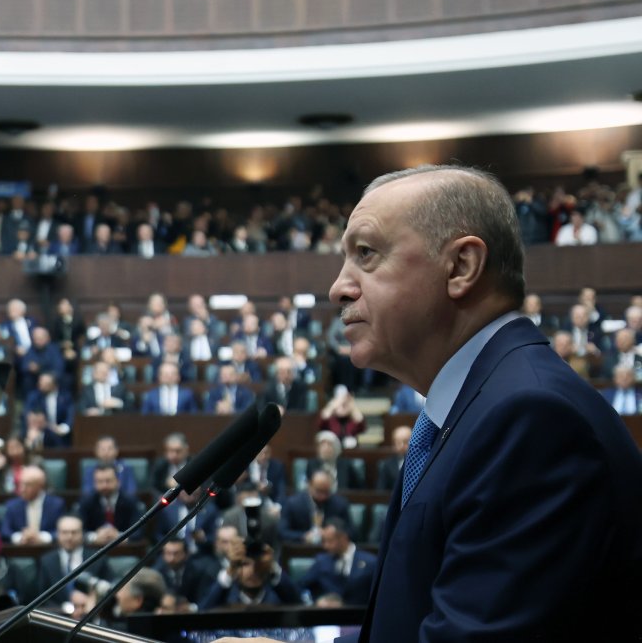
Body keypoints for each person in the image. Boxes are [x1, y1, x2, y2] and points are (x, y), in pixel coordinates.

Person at [256, 164, 642, 642]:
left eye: (367, 254)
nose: (338, 287)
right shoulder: (479, 406)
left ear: (461, 267)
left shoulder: (529, 419)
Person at [297, 518, 377, 607]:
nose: (325, 546)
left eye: (329, 541)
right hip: (328, 616)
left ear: (343, 538)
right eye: (324, 541)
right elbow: (301, 587)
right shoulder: (322, 561)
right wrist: (316, 602)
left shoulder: (370, 562)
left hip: (359, 616)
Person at [37, 516, 112, 607]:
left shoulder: (97, 557)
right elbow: (40, 597)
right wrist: (65, 608)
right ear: (57, 534)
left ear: (82, 533)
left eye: (74, 532)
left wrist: (92, 601)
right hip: (57, 615)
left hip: (91, 613)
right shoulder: (46, 561)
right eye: (64, 532)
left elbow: (110, 590)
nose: (69, 537)